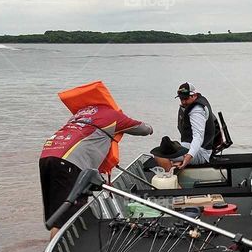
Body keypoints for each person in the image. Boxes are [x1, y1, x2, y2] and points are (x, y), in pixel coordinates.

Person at [40, 96, 152, 237]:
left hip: (47, 156)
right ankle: (60, 247)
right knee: (67, 219)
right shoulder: (112, 115)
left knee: (57, 213)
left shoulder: (79, 114)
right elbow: (143, 129)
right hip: (70, 162)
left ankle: (54, 244)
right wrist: (151, 128)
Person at [152, 83, 217, 171]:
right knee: (162, 150)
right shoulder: (198, 102)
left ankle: (171, 178)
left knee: (159, 156)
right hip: (191, 146)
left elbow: (198, 136)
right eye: (181, 99)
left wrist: (189, 157)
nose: (183, 102)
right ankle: (174, 166)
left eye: (186, 99)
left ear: (194, 95)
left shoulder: (197, 110)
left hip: (201, 152)